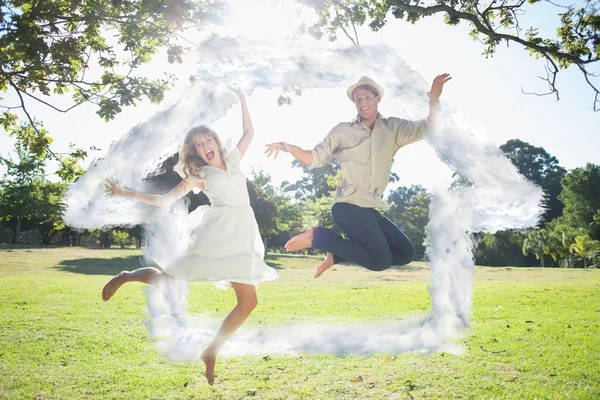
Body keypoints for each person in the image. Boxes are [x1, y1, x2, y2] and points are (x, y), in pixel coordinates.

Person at [101, 86, 278, 385]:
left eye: (208, 139)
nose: (205, 144)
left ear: (216, 142)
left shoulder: (233, 160)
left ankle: (211, 351)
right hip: (218, 233)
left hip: (245, 234)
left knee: (248, 302)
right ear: (195, 152)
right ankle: (126, 275)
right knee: (170, 278)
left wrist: (242, 98)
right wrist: (124, 192)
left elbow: (249, 131)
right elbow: (164, 201)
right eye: (198, 144)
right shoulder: (199, 175)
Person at [265, 74, 451, 278]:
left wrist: (434, 99)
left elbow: (428, 126)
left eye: (367, 98)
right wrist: (290, 148)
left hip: (370, 208)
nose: (362, 103)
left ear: (377, 98)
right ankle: (319, 236)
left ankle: (336, 255)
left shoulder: (393, 128)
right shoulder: (343, 131)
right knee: (379, 261)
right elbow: (314, 158)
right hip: (348, 206)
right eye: (358, 100)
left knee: (404, 252)